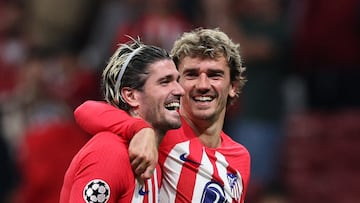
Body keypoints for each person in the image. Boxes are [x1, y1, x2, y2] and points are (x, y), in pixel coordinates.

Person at [75, 28, 251, 202]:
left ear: (233, 87)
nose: (203, 85)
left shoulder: (240, 158)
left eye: (214, 75)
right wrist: (141, 131)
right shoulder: (163, 129)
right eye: (191, 75)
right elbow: (86, 110)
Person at [59, 39, 185, 202]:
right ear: (131, 96)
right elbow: (84, 109)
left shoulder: (153, 164)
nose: (180, 90)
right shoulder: (109, 154)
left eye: (177, 81)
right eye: (165, 82)